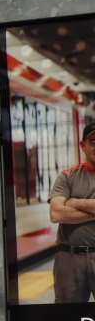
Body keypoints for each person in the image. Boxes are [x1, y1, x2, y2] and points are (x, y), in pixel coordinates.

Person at [48, 121, 95, 303]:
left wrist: (74, 202)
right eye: (93, 142)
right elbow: (56, 214)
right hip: (68, 259)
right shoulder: (67, 176)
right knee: (67, 315)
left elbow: (63, 211)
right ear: (83, 146)